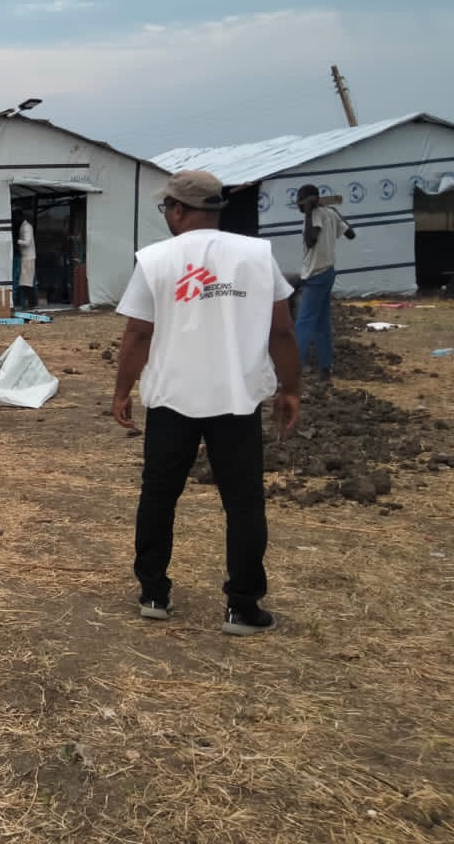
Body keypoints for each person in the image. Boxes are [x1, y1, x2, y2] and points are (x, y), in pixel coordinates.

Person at [112, 170, 301, 636]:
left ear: (176, 209)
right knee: (242, 503)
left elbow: (138, 332)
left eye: (166, 210)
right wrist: (290, 387)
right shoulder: (257, 255)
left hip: (172, 399)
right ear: (216, 208)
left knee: (159, 496)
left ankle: (153, 593)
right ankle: (243, 606)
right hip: (236, 399)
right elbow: (281, 330)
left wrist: (122, 390)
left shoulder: (155, 260)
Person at [293, 184, 356, 381]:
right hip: (328, 273)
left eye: (300, 203)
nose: (299, 208)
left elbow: (311, 240)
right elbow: (350, 234)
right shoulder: (331, 213)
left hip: (315, 276)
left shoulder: (315, 215)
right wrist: (337, 213)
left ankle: (292, 371)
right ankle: (325, 370)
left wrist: (310, 213)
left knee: (303, 323)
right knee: (321, 323)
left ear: (306, 202)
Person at [13, 208, 37, 309]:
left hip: (29, 257)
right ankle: (30, 303)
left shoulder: (27, 227)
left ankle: (32, 303)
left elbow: (27, 242)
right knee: (24, 281)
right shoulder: (23, 226)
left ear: (20, 217)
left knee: (27, 281)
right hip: (25, 257)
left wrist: (16, 241)